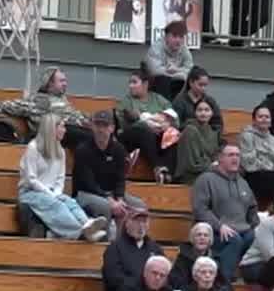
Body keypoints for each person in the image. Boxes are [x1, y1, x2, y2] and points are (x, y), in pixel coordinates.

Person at [19, 113, 110, 242]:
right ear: (51, 128)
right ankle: (80, 232)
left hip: (52, 192)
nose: (65, 130)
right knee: (58, 206)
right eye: (61, 127)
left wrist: (56, 193)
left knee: (71, 203)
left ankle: (88, 224)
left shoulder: (60, 151)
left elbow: (60, 178)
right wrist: (50, 194)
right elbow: (31, 179)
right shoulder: (33, 148)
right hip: (30, 192)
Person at [193, 145, 259, 281]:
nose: (235, 158)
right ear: (220, 158)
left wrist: (256, 227)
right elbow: (200, 209)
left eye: (237, 155)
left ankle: (246, 277)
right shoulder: (206, 179)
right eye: (230, 155)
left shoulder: (243, 183)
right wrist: (219, 226)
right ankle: (223, 282)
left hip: (242, 230)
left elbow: (252, 209)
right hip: (216, 231)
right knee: (235, 240)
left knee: (255, 237)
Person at [115, 72, 177, 182]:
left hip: (157, 137)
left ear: (145, 84)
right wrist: (146, 124)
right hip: (132, 138)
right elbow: (122, 126)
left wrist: (166, 125)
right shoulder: (126, 101)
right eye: (130, 82)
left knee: (173, 134)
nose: (131, 86)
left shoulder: (159, 100)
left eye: (134, 82)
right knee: (144, 130)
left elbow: (174, 118)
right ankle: (157, 166)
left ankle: (167, 173)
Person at [73, 110, 130, 225]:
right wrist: (110, 200)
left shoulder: (119, 149)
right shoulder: (82, 150)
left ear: (112, 128)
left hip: (111, 194)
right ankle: (105, 236)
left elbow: (120, 178)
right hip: (85, 194)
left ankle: (124, 237)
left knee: (138, 205)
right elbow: (89, 183)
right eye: (97, 125)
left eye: (105, 125)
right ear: (92, 126)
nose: (101, 129)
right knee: (105, 206)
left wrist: (120, 198)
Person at [102, 198, 163, 291]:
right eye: (136, 221)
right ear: (126, 223)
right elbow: (114, 279)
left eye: (144, 222)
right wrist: (143, 285)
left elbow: (165, 276)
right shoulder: (114, 249)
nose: (141, 226)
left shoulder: (156, 249)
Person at [238, 105, 274, 203]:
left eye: (267, 117)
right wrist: (268, 168)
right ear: (254, 120)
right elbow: (247, 163)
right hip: (254, 176)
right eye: (260, 116)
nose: (264, 119)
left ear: (271, 121)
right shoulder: (247, 136)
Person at [143, 19, 193, 101]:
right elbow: (155, 71)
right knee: (163, 79)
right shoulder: (156, 48)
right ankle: (165, 107)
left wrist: (176, 70)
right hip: (155, 85)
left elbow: (191, 70)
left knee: (190, 82)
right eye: (174, 36)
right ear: (166, 37)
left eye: (181, 37)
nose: (178, 40)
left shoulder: (185, 50)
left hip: (176, 83)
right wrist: (178, 73)